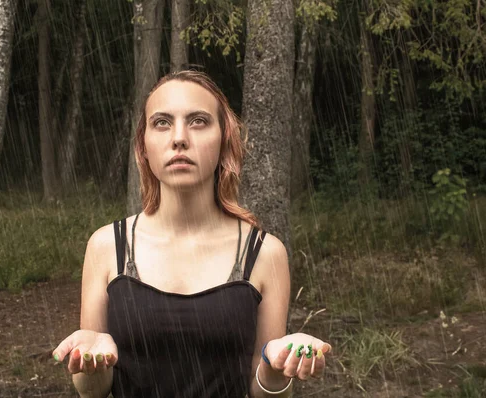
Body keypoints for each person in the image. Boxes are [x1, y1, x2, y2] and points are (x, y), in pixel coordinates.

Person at [53, 70, 332, 398]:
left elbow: (262, 389)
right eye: (162, 122)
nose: (179, 138)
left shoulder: (266, 253)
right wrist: (93, 364)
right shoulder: (106, 246)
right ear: (144, 146)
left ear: (224, 140)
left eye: (198, 121)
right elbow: (93, 391)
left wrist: (276, 366)